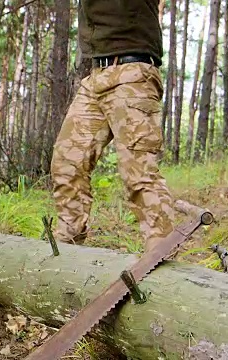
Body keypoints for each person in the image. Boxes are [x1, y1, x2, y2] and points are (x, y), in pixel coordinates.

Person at [50, 0, 177, 253]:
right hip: (97, 75)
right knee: (67, 163)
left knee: (139, 172)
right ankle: (67, 247)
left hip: (133, 73)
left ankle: (163, 256)